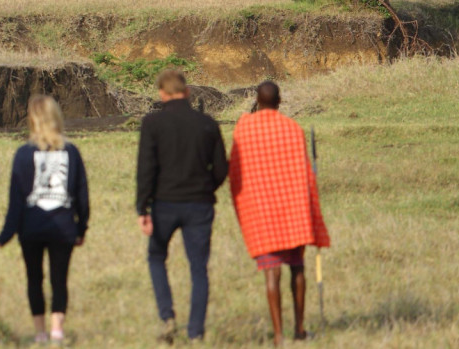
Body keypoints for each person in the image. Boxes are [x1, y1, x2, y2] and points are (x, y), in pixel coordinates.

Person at [229, 81, 330, 345]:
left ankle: (277, 335)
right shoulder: (293, 129)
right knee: (297, 268)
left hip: (261, 211)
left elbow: (236, 174)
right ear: (280, 100)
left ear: (256, 101)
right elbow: (304, 174)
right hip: (292, 210)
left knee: (271, 273)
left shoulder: (244, 129)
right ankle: (299, 329)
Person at [136, 68, 228, 344]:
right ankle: (196, 332)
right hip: (200, 205)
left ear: (162, 94)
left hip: (164, 204)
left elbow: (146, 169)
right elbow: (222, 168)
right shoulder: (208, 123)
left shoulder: (152, 123)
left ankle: (167, 317)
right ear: (187, 93)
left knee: (155, 258)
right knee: (198, 267)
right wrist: (205, 188)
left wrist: (143, 207)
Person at [0, 95, 90, 345]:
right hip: (63, 227)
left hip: (32, 228)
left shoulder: (24, 154)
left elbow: (16, 201)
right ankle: (57, 331)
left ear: (32, 120)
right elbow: (82, 196)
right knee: (59, 279)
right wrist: (81, 228)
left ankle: (39, 333)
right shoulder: (71, 151)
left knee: (34, 278)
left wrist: (5, 235)